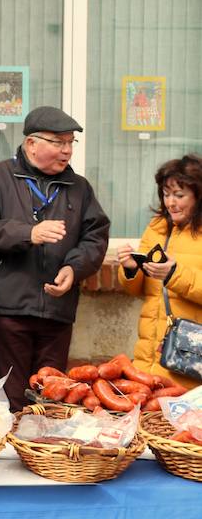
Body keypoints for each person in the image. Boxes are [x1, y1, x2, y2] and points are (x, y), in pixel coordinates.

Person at [0, 107, 110, 410]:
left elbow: (96, 236)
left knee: (52, 401)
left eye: (70, 143)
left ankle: (44, 443)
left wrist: (74, 267)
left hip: (58, 312)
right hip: (9, 310)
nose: (67, 150)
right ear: (31, 143)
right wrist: (28, 233)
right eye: (59, 142)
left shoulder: (79, 188)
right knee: (10, 401)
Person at [116, 154, 202, 389]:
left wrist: (174, 274)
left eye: (179, 195)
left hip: (189, 361)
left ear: (198, 195)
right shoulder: (157, 226)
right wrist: (131, 269)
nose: (170, 203)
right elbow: (137, 290)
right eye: (166, 194)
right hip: (147, 359)